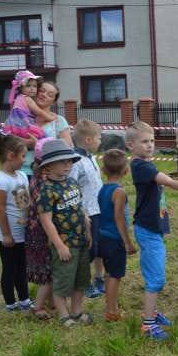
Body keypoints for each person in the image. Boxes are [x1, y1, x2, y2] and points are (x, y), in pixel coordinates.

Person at [127, 122, 178, 340]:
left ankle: (151, 312)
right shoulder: (142, 167)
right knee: (156, 279)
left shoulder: (146, 164)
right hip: (147, 230)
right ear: (130, 145)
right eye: (144, 141)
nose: (150, 145)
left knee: (153, 275)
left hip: (150, 228)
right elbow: (170, 182)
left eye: (152, 141)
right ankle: (148, 324)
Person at [35, 139, 93, 327]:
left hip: (81, 240)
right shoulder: (46, 189)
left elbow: (80, 208)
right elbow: (46, 220)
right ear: (49, 166)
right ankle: (63, 314)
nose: (68, 165)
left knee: (80, 279)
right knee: (63, 280)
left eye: (70, 161)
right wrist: (59, 245)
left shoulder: (72, 183)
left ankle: (76, 311)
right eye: (63, 161)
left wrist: (88, 231)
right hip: (64, 244)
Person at [0, 133, 32, 312]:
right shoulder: (0, 180)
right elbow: (0, 209)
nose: (25, 160)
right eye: (23, 156)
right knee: (9, 268)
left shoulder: (21, 175)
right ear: (10, 156)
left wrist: (28, 219)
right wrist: (6, 234)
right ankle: (10, 302)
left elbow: (25, 202)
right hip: (7, 236)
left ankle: (24, 299)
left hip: (22, 233)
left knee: (22, 267)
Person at [97, 149, 138, 322]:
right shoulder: (119, 192)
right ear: (126, 171)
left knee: (108, 273)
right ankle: (112, 311)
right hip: (114, 239)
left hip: (101, 236)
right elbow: (119, 218)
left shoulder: (102, 189)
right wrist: (127, 242)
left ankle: (110, 306)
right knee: (115, 275)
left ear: (103, 170)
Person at [69, 119, 105, 298]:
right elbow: (72, 188)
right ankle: (83, 282)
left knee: (99, 247)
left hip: (99, 210)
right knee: (89, 249)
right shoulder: (76, 162)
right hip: (86, 214)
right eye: (99, 138)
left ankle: (99, 277)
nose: (101, 141)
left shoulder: (92, 158)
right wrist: (81, 213)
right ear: (89, 140)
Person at [25, 137, 56, 320]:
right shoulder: (44, 182)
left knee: (50, 269)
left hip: (37, 227)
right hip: (42, 229)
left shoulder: (38, 176)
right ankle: (38, 306)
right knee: (48, 271)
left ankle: (52, 301)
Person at [19, 81, 73, 176]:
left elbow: (67, 145)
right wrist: (27, 143)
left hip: (46, 173)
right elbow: (8, 138)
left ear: (53, 102)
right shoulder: (21, 116)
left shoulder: (58, 121)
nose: (44, 95)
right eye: (42, 91)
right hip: (21, 171)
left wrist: (39, 145)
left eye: (50, 95)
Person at [2, 70, 53, 140]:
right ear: (21, 88)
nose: (32, 88)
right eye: (28, 86)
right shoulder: (27, 99)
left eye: (35, 86)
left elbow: (12, 111)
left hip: (12, 127)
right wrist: (50, 118)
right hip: (24, 125)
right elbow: (39, 112)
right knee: (41, 135)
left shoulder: (17, 98)